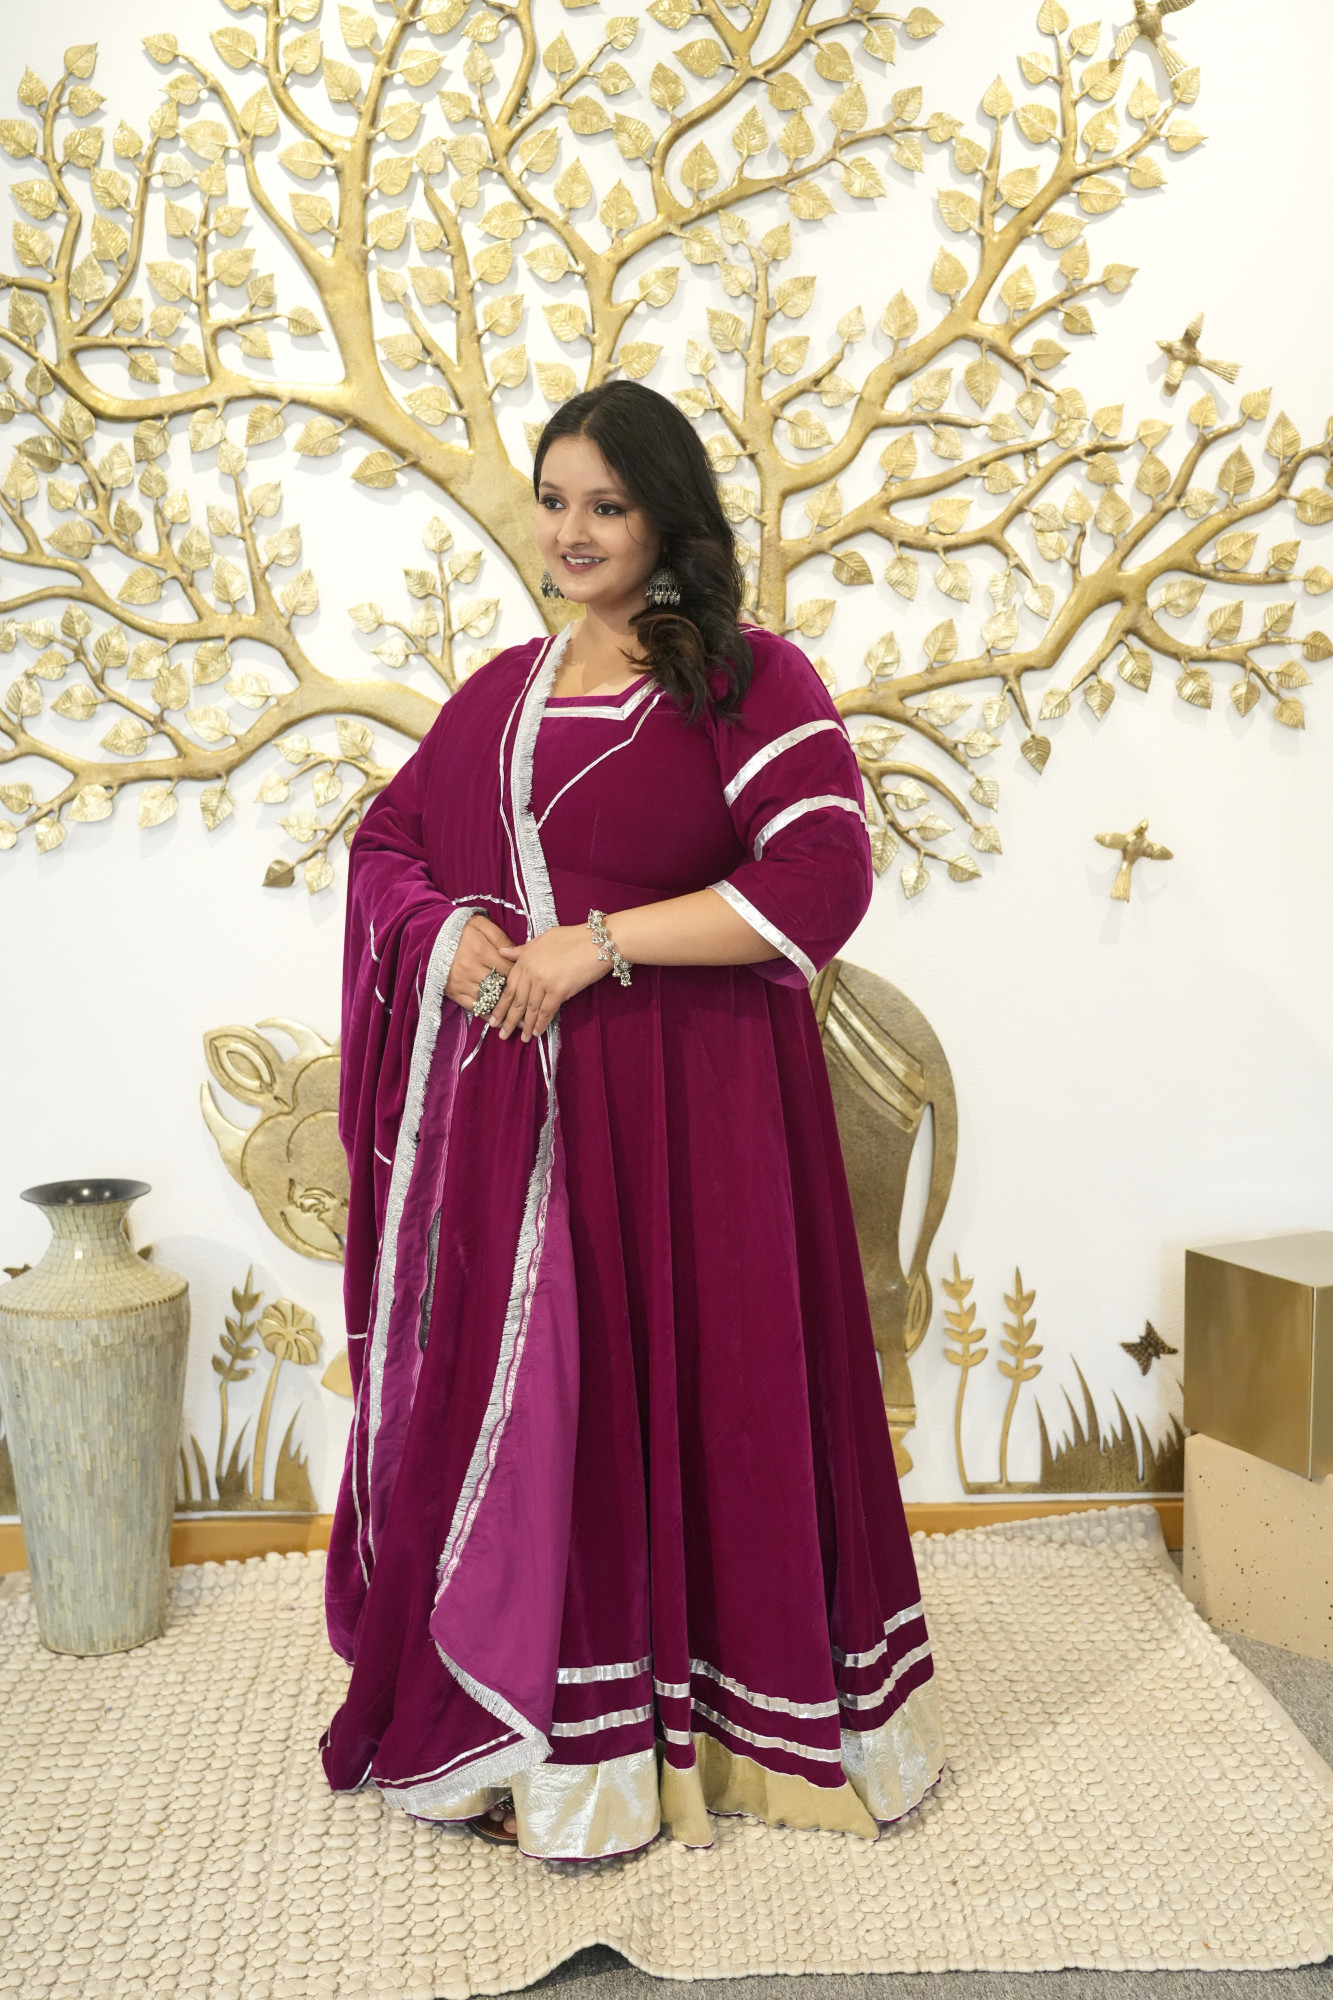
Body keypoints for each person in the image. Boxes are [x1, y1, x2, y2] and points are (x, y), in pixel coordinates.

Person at [320, 380, 943, 1862]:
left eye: (605, 503)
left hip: (706, 1116)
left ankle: (741, 1733)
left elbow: (820, 883)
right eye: (554, 500)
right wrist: (444, 933)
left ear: (665, 514)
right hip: (527, 1144)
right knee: (550, 1418)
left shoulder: (749, 680)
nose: (571, 531)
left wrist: (595, 945)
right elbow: (389, 842)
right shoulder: (501, 695)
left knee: (710, 1388)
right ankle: (552, 1736)